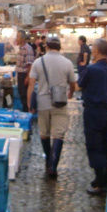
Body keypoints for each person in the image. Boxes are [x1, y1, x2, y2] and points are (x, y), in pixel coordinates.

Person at [28, 37, 77, 178]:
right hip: (60, 101)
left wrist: (29, 103)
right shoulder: (67, 63)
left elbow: (31, 84)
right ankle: (53, 167)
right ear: (60, 48)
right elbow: (73, 83)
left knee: (44, 133)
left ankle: (48, 160)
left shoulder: (38, 62)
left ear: (47, 47)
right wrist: (70, 93)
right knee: (58, 134)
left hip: (43, 103)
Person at [78, 38, 107, 195]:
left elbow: (80, 84)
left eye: (93, 48)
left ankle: (102, 183)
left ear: (96, 51)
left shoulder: (92, 69)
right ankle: (100, 178)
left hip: (93, 111)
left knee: (94, 146)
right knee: (105, 145)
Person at [15, 29, 35, 112]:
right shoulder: (21, 48)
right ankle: (25, 111)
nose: (16, 38)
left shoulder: (28, 49)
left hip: (24, 75)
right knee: (21, 93)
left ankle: (26, 112)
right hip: (20, 74)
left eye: (18, 37)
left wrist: (27, 77)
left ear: (23, 39)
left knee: (24, 95)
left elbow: (30, 64)